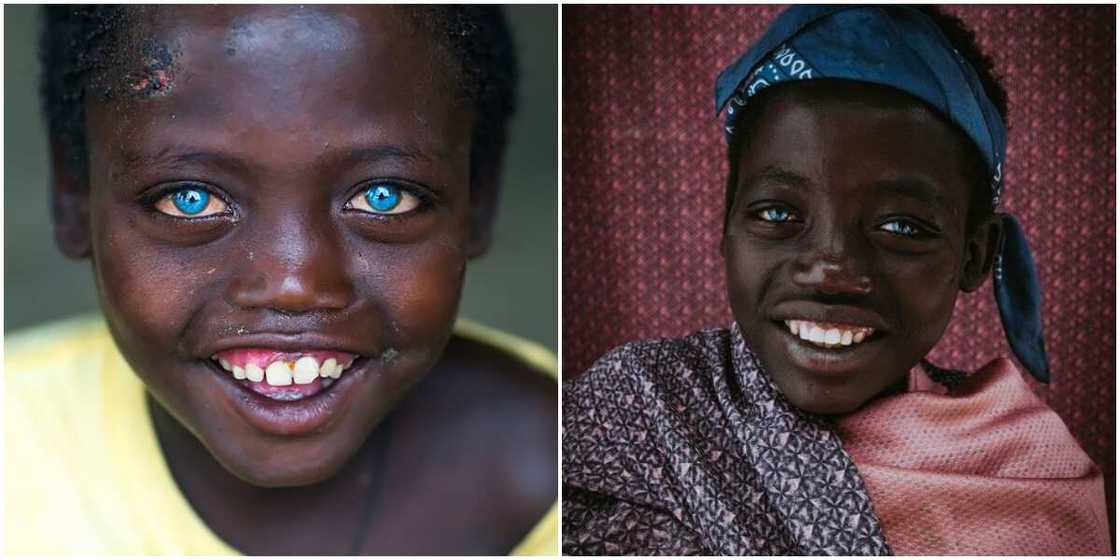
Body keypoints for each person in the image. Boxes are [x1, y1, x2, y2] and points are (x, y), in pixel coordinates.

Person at [6, 5, 556, 555]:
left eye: (383, 196)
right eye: (189, 199)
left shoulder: (592, 473)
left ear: (477, 200)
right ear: (75, 197)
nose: (294, 285)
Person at [562, 5, 1110, 555]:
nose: (832, 269)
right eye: (778, 214)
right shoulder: (640, 410)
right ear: (727, 223)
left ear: (973, 256)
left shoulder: (1033, 473)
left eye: (900, 226)